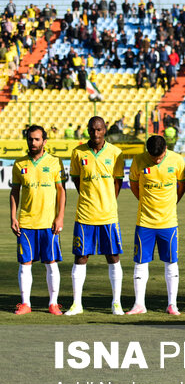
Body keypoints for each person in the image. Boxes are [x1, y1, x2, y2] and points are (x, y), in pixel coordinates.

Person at [67, 117, 126, 315]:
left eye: (99, 129)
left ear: (105, 130)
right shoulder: (78, 152)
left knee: (113, 257)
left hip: (108, 215)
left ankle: (116, 303)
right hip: (85, 214)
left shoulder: (116, 153)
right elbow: (76, 179)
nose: (96, 133)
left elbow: (117, 183)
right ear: (88, 130)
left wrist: (108, 200)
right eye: (92, 130)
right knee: (81, 257)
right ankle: (77, 304)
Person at [126, 135, 185, 314]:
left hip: (168, 222)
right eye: (153, 159)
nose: (157, 161)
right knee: (140, 262)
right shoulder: (138, 161)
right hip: (144, 221)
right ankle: (139, 304)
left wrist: (172, 202)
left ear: (166, 149)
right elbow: (134, 185)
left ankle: (172, 304)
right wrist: (145, 202)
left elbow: (182, 185)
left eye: (159, 158)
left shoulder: (177, 160)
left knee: (170, 262)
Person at [10, 125, 66, 315]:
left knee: (51, 263)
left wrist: (60, 217)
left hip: (48, 223)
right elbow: (15, 192)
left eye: (36, 139)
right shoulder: (19, 164)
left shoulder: (55, 162)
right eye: (30, 139)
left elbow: (61, 191)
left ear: (44, 141)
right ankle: (25, 303)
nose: (32, 142)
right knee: (25, 264)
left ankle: (53, 303)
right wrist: (13, 216)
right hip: (26, 223)